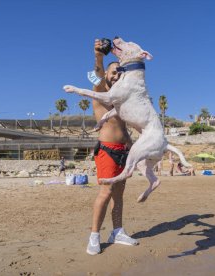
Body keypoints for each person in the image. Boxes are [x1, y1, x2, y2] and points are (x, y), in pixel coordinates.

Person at [74, 39, 137, 255]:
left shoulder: (122, 100)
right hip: (107, 150)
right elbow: (98, 73)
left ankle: (117, 231)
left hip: (124, 151)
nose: (116, 75)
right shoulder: (100, 91)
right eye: (113, 72)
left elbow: (124, 128)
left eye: (120, 72)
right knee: (105, 192)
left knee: (119, 193)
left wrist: (132, 148)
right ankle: (94, 236)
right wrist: (99, 56)